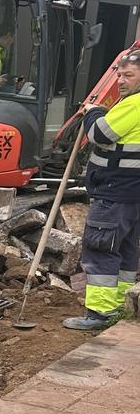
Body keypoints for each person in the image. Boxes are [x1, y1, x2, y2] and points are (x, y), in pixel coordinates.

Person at [63, 50, 140, 330]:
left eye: (128, 75)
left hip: (114, 191)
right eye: (119, 74)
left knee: (101, 248)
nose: (120, 80)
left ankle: (99, 313)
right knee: (126, 250)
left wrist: (93, 112)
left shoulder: (133, 105)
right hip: (132, 194)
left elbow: (99, 134)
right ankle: (120, 305)